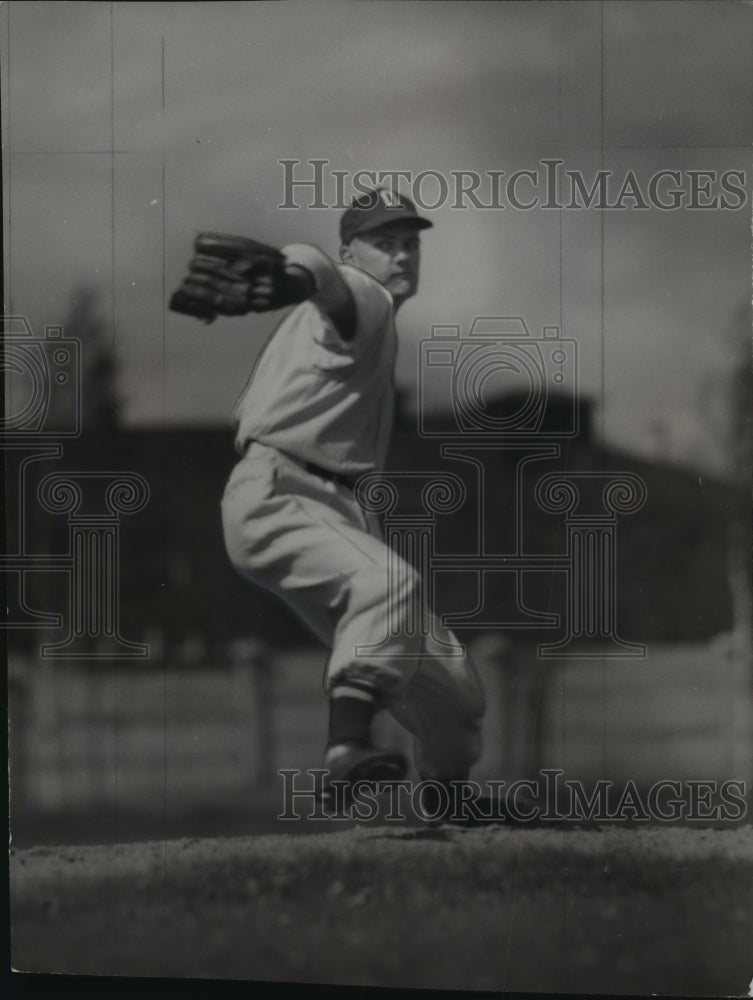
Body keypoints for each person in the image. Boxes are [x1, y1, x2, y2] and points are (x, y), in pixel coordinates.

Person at [177, 189, 486, 814]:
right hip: (281, 491)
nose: (403, 255)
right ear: (352, 252)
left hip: (328, 505)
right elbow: (328, 280)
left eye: (411, 243)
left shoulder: (367, 317)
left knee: (453, 687)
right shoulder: (365, 296)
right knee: (389, 583)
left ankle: (450, 799)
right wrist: (296, 275)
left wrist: (300, 277)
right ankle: (346, 746)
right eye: (385, 242)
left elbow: (323, 279)